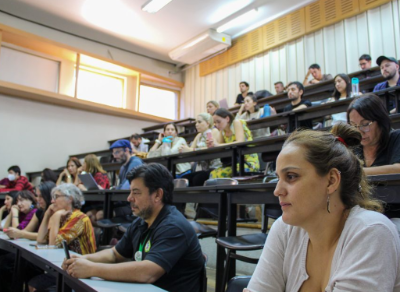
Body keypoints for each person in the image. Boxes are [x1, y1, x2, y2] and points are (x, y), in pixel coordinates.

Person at [246, 123, 400, 292]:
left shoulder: (372, 232)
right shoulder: (284, 229)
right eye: (278, 179)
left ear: (331, 181)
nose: (277, 191)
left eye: (291, 176)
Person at [62, 163, 205, 292]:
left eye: (136, 192)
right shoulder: (142, 221)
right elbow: (115, 254)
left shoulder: (174, 226)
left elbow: (148, 273)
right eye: (130, 192)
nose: (129, 198)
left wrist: (91, 269)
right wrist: (84, 259)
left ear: (157, 195)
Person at [29, 183, 96, 291]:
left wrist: (55, 217)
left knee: (38, 286)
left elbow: (53, 245)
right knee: (33, 282)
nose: (52, 201)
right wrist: (47, 215)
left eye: (56, 197)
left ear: (70, 199)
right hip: (63, 268)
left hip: (79, 274)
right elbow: (41, 240)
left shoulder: (79, 217)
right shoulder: (63, 216)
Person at [347, 94, 400, 175]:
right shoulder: (353, 146)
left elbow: (398, 169)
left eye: (365, 124)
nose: (359, 132)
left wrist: (357, 173)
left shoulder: (396, 137)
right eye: (353, 125)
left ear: (380, 121)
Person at [208, 108, 260, 178]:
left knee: (219, 174)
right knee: (213, 174)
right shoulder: (222, 131)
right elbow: (220, 148)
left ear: (227, 119)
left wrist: (217, 144)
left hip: (248, 163)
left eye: (218, 121)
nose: (216, 125)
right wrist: (212, 143)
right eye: (215, 123)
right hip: (234, 163)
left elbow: (240, 141)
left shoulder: (236, 122)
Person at [179, 113, 222, 186]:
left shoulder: (214, 131)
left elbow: (210, 148)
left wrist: (190, 150)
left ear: (207, 123)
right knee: (184, 179)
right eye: (196, 122)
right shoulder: (198, 136)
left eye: (199, 122)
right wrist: (183, 149)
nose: (196, 124)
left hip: (214, 167)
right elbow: (190, 149)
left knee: (197, 179)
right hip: (203, 169)